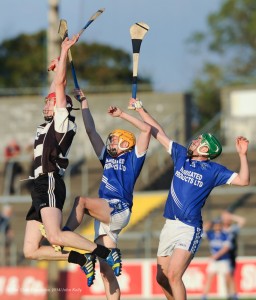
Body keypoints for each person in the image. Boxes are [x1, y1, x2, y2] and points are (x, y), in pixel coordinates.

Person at [23, 35, 120, 288]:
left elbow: (61, 83)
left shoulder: (62, 121)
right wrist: (59, 64)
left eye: (51, 99)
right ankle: (80, 257)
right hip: (38, 187)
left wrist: (64, 51)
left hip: (50, 182)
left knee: (55, 234)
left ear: (62, 106)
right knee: (31, 251)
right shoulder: (49, 124)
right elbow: (58, 83)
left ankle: (106, 254)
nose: (47, 102)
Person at [128, 98, 250, 300]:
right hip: (170, 225)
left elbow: (244, 180)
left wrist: (242, 155)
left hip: (188, 227)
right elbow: (158, 132)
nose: (193, 141)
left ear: (206, 150)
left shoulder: (214, 170)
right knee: (161, 277)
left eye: (198, 141)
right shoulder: (181, 155)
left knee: (174, 275)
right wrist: (141, 109)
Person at [62, 89, 151, 299]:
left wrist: (123, 115)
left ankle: (63, 234)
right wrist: (84, 102)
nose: (110, 143)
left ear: (127, 143)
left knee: (81, 201)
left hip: (118, 208)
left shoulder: (134, 158)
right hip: (105, 214)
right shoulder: (107, 159)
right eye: (110, 140)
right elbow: (91, 131)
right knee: (106, 271)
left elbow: (146, 131)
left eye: (115, 140)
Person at [201, 219, 234, 300]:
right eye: (216, 225)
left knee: (228, 279)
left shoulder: (225, 235)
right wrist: (208, 224)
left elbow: (226, 248)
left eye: (219, 225)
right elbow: (202, 232)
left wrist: (216, 255)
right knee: (209, 278)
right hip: (214, 261)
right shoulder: (211, 234)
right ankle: (204, 296)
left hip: (224, 260)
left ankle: (232, 295)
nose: (217, 226)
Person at [221, 210, 246, 300]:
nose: (226, 220)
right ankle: (229, 294)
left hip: (230, 255)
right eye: (224, 218)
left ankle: (233, 294)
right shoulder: (219, 228)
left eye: (227, 218)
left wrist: (231, 216)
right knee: (226, 276)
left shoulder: (233, 229)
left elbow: (242, 221)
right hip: (221, 256)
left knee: (230, 275)